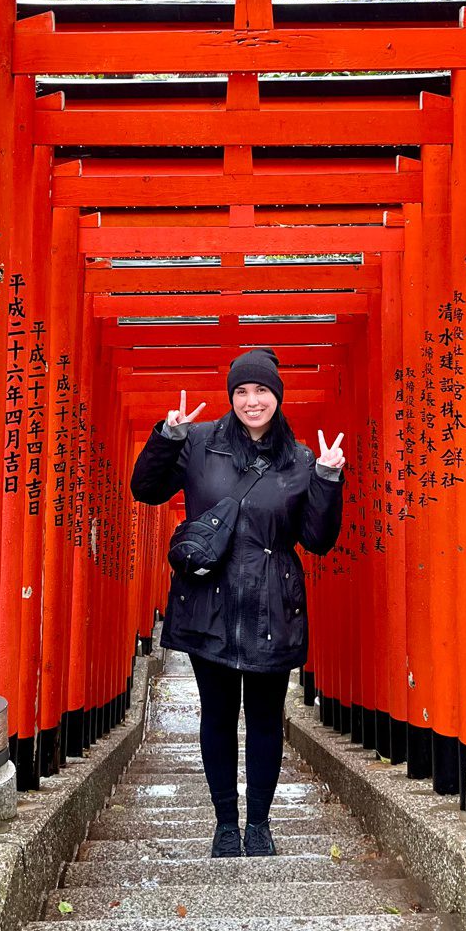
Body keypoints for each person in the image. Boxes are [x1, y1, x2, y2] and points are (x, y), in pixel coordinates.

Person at [129, 347, 343, 861]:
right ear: (230, 397)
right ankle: (227, 823)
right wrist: (166, 439)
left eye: (262, 390)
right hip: (210, 604)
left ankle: (261, 825)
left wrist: (329, 480)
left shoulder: (301, 460)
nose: (252, 400)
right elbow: (145, 489)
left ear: (277, 396)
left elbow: (318, 539)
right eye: (242, 391)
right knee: (219, 716)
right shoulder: (200, 444)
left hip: (273, 605)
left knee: (266, 719)